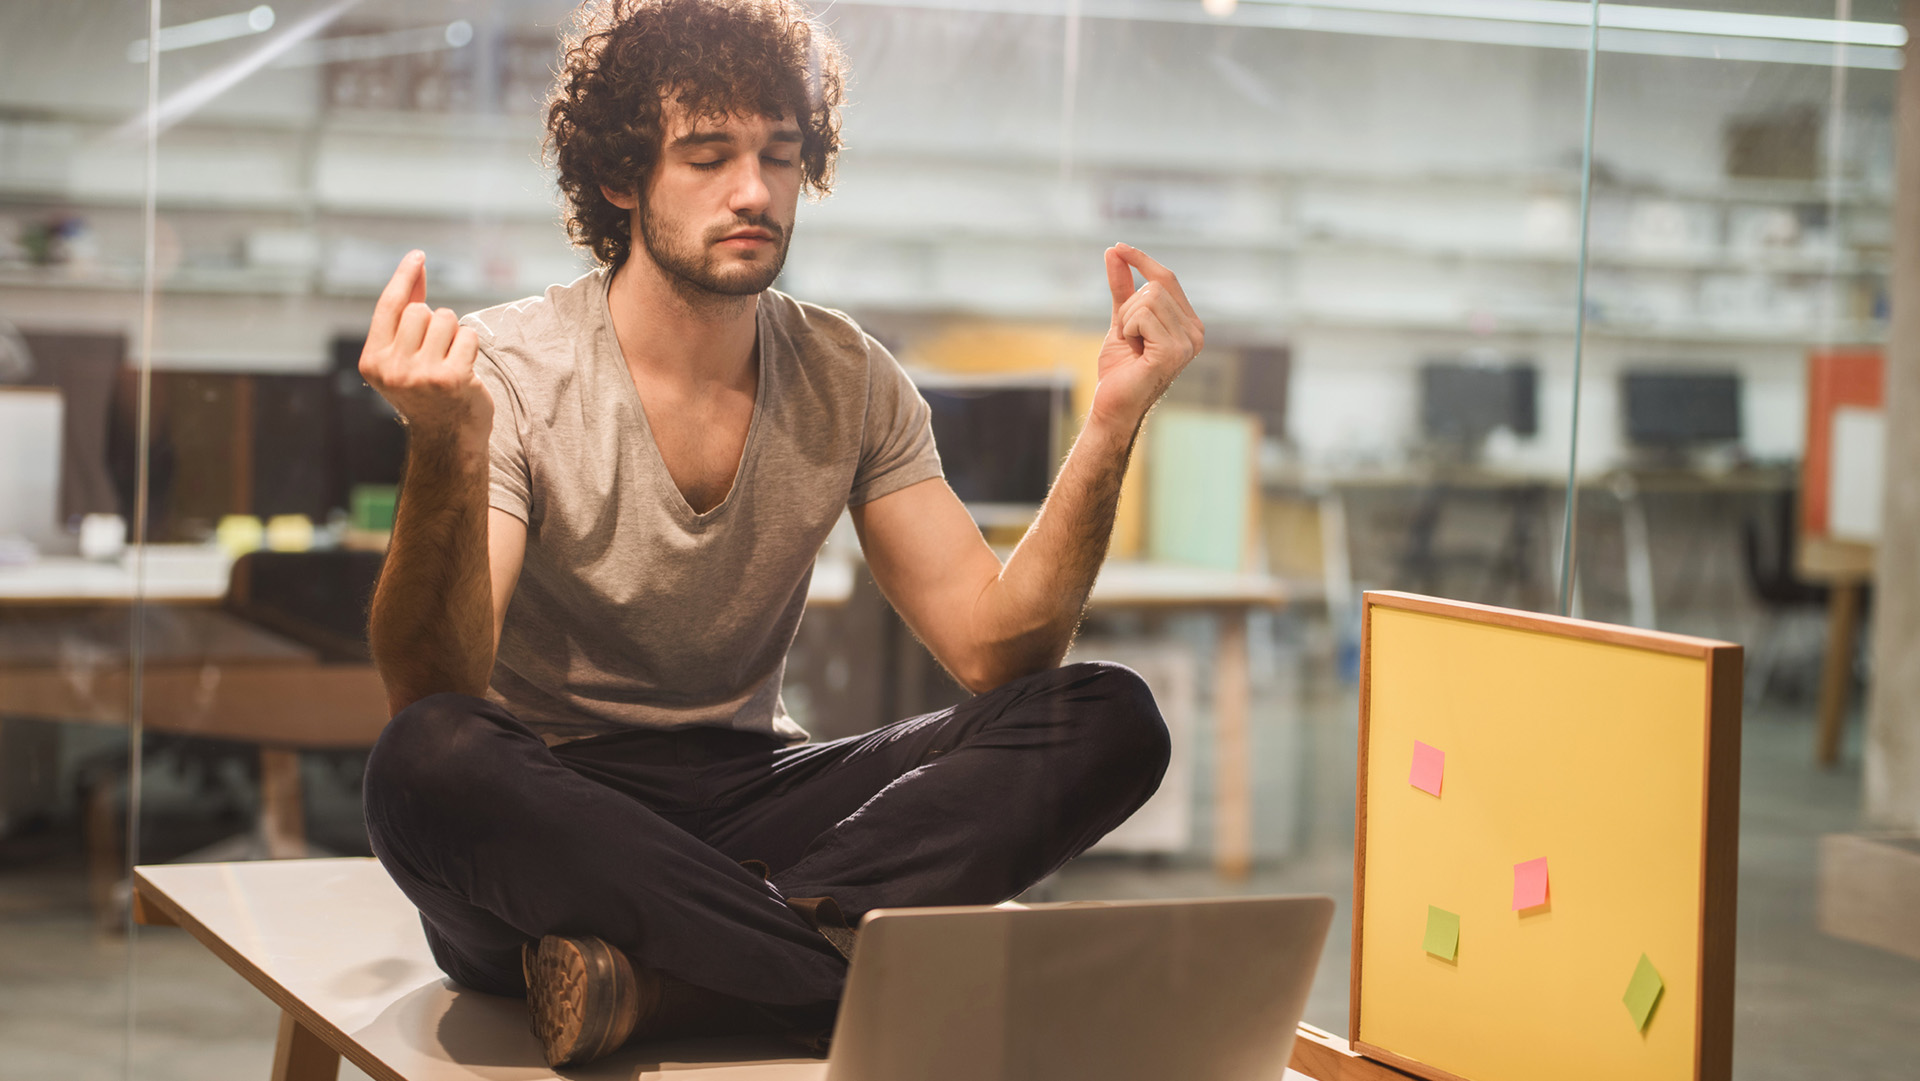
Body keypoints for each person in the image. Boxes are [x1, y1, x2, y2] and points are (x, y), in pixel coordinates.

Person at [354, 0, 1206, 1067]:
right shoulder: (513, 370)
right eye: (706, 156)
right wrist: (444, 444)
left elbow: (1000, 652)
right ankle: (828, 979)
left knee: (1109, 713)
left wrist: (1113, 421)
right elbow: (439, 675)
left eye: (779, 156)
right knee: (425, 755)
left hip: (756, 801)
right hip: (556, 824)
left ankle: (693, 978)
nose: (753, 191)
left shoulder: (848, 377)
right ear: (621, 178)